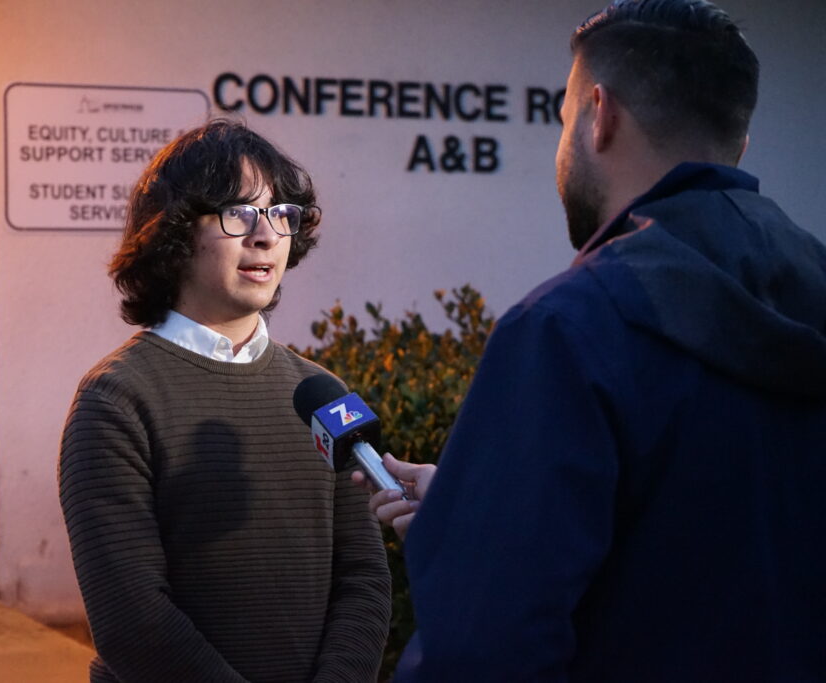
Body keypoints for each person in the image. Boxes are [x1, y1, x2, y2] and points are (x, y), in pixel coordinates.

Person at [359, 1, 826, 680]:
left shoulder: (568, 328)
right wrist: (479, 500)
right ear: (739, 145)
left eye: (561, 118)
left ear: (598, 114)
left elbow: (482, 647)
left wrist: (486, 531)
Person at [59, 119, 391, 683]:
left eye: (280, 215)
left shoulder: (322, 394)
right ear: (175, 232)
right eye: (238, 214)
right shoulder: (115, 401)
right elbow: (131, 620)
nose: (265, 236)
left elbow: (363, 576)